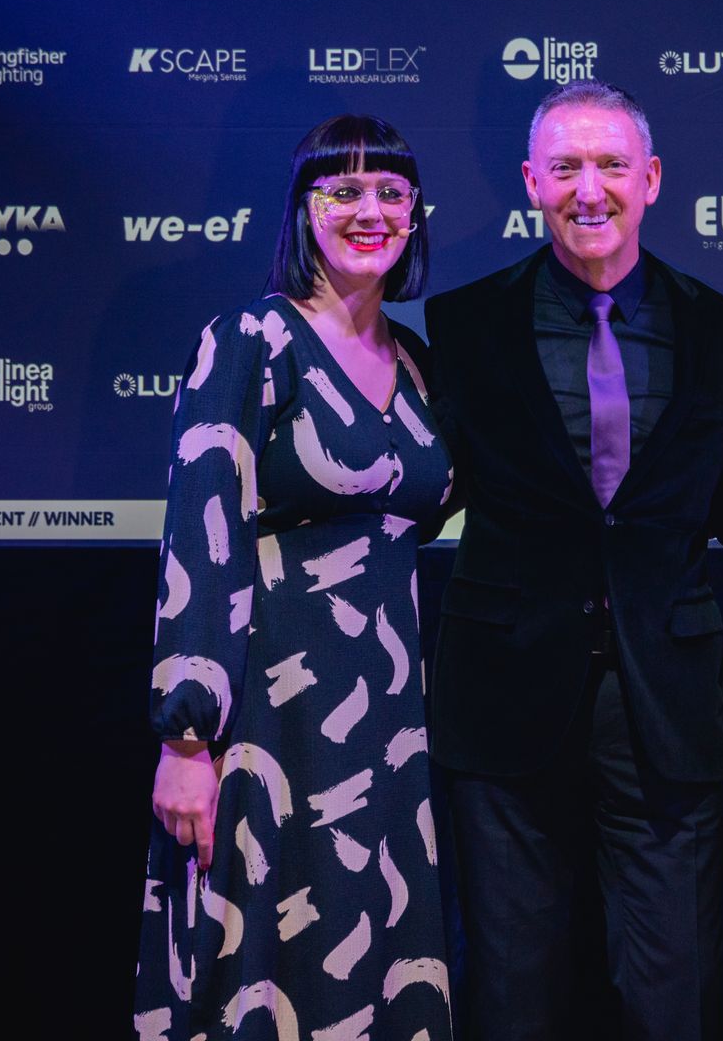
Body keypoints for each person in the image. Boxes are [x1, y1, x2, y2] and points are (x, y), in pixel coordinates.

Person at [423, 81, 723, 1041]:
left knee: (671, 996)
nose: (589, 188)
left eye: (612, 165)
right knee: (512, 996)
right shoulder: (462, 326)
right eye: (565, 167)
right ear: (532, 182)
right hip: (501, 696)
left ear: (650, 180)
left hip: (667, 702)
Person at [135, 116, 453, 1038]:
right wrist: (186, 740)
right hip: (267, 717)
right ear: (302, 209)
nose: (370, 211)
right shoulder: (250, 337)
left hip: (389, 723)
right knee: (260, 964)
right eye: (343, 191)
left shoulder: (418, 363)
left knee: (382, 958)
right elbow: (200, 535)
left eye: (391, 192)